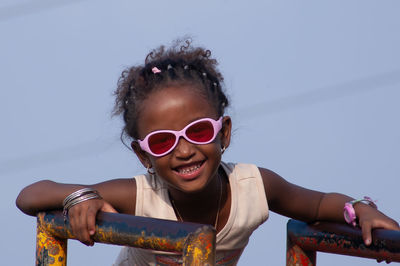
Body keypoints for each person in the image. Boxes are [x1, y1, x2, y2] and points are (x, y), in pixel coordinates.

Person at [16, 40, 399, 265]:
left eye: (198, 132)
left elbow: (316, 206)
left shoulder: (254, 186)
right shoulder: (140, 195)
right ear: (143, 156)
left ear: (224, 133)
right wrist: (82, 198)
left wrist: (359, 208)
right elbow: (30, 195)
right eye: (163, 142)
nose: (184, 151)